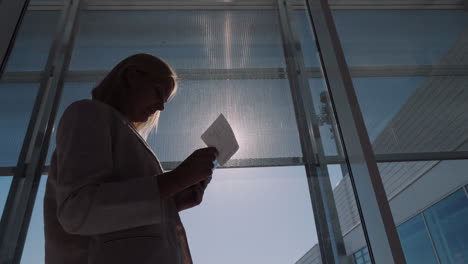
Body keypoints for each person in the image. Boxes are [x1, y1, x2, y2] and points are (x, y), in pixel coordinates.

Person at [43, 53, 218, 264]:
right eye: (159, 92)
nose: (161, 107)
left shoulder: (119, 130)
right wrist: (176, 180)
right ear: (132, 76)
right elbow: (79, 210)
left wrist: (171, 202)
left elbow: (121, 218)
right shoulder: (87, 113)